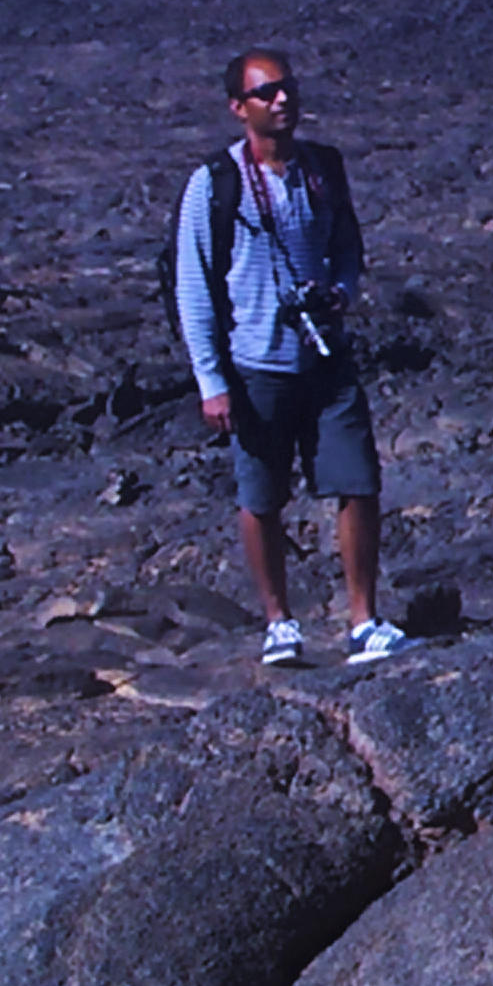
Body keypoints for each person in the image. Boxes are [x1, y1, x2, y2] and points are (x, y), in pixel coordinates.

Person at [174, 48, 408, 666]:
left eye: (288, 89)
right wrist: (210, 380)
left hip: (325, 358)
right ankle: (278, 620)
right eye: (266, 93)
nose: (282, 101)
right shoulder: (214, 185)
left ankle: (363, 619)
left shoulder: (322, 168)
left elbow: (349, 249)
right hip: (255, 365)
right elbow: (193, 284)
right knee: (262, 493)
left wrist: (341, 293)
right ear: (238, 108)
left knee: (357, 481)